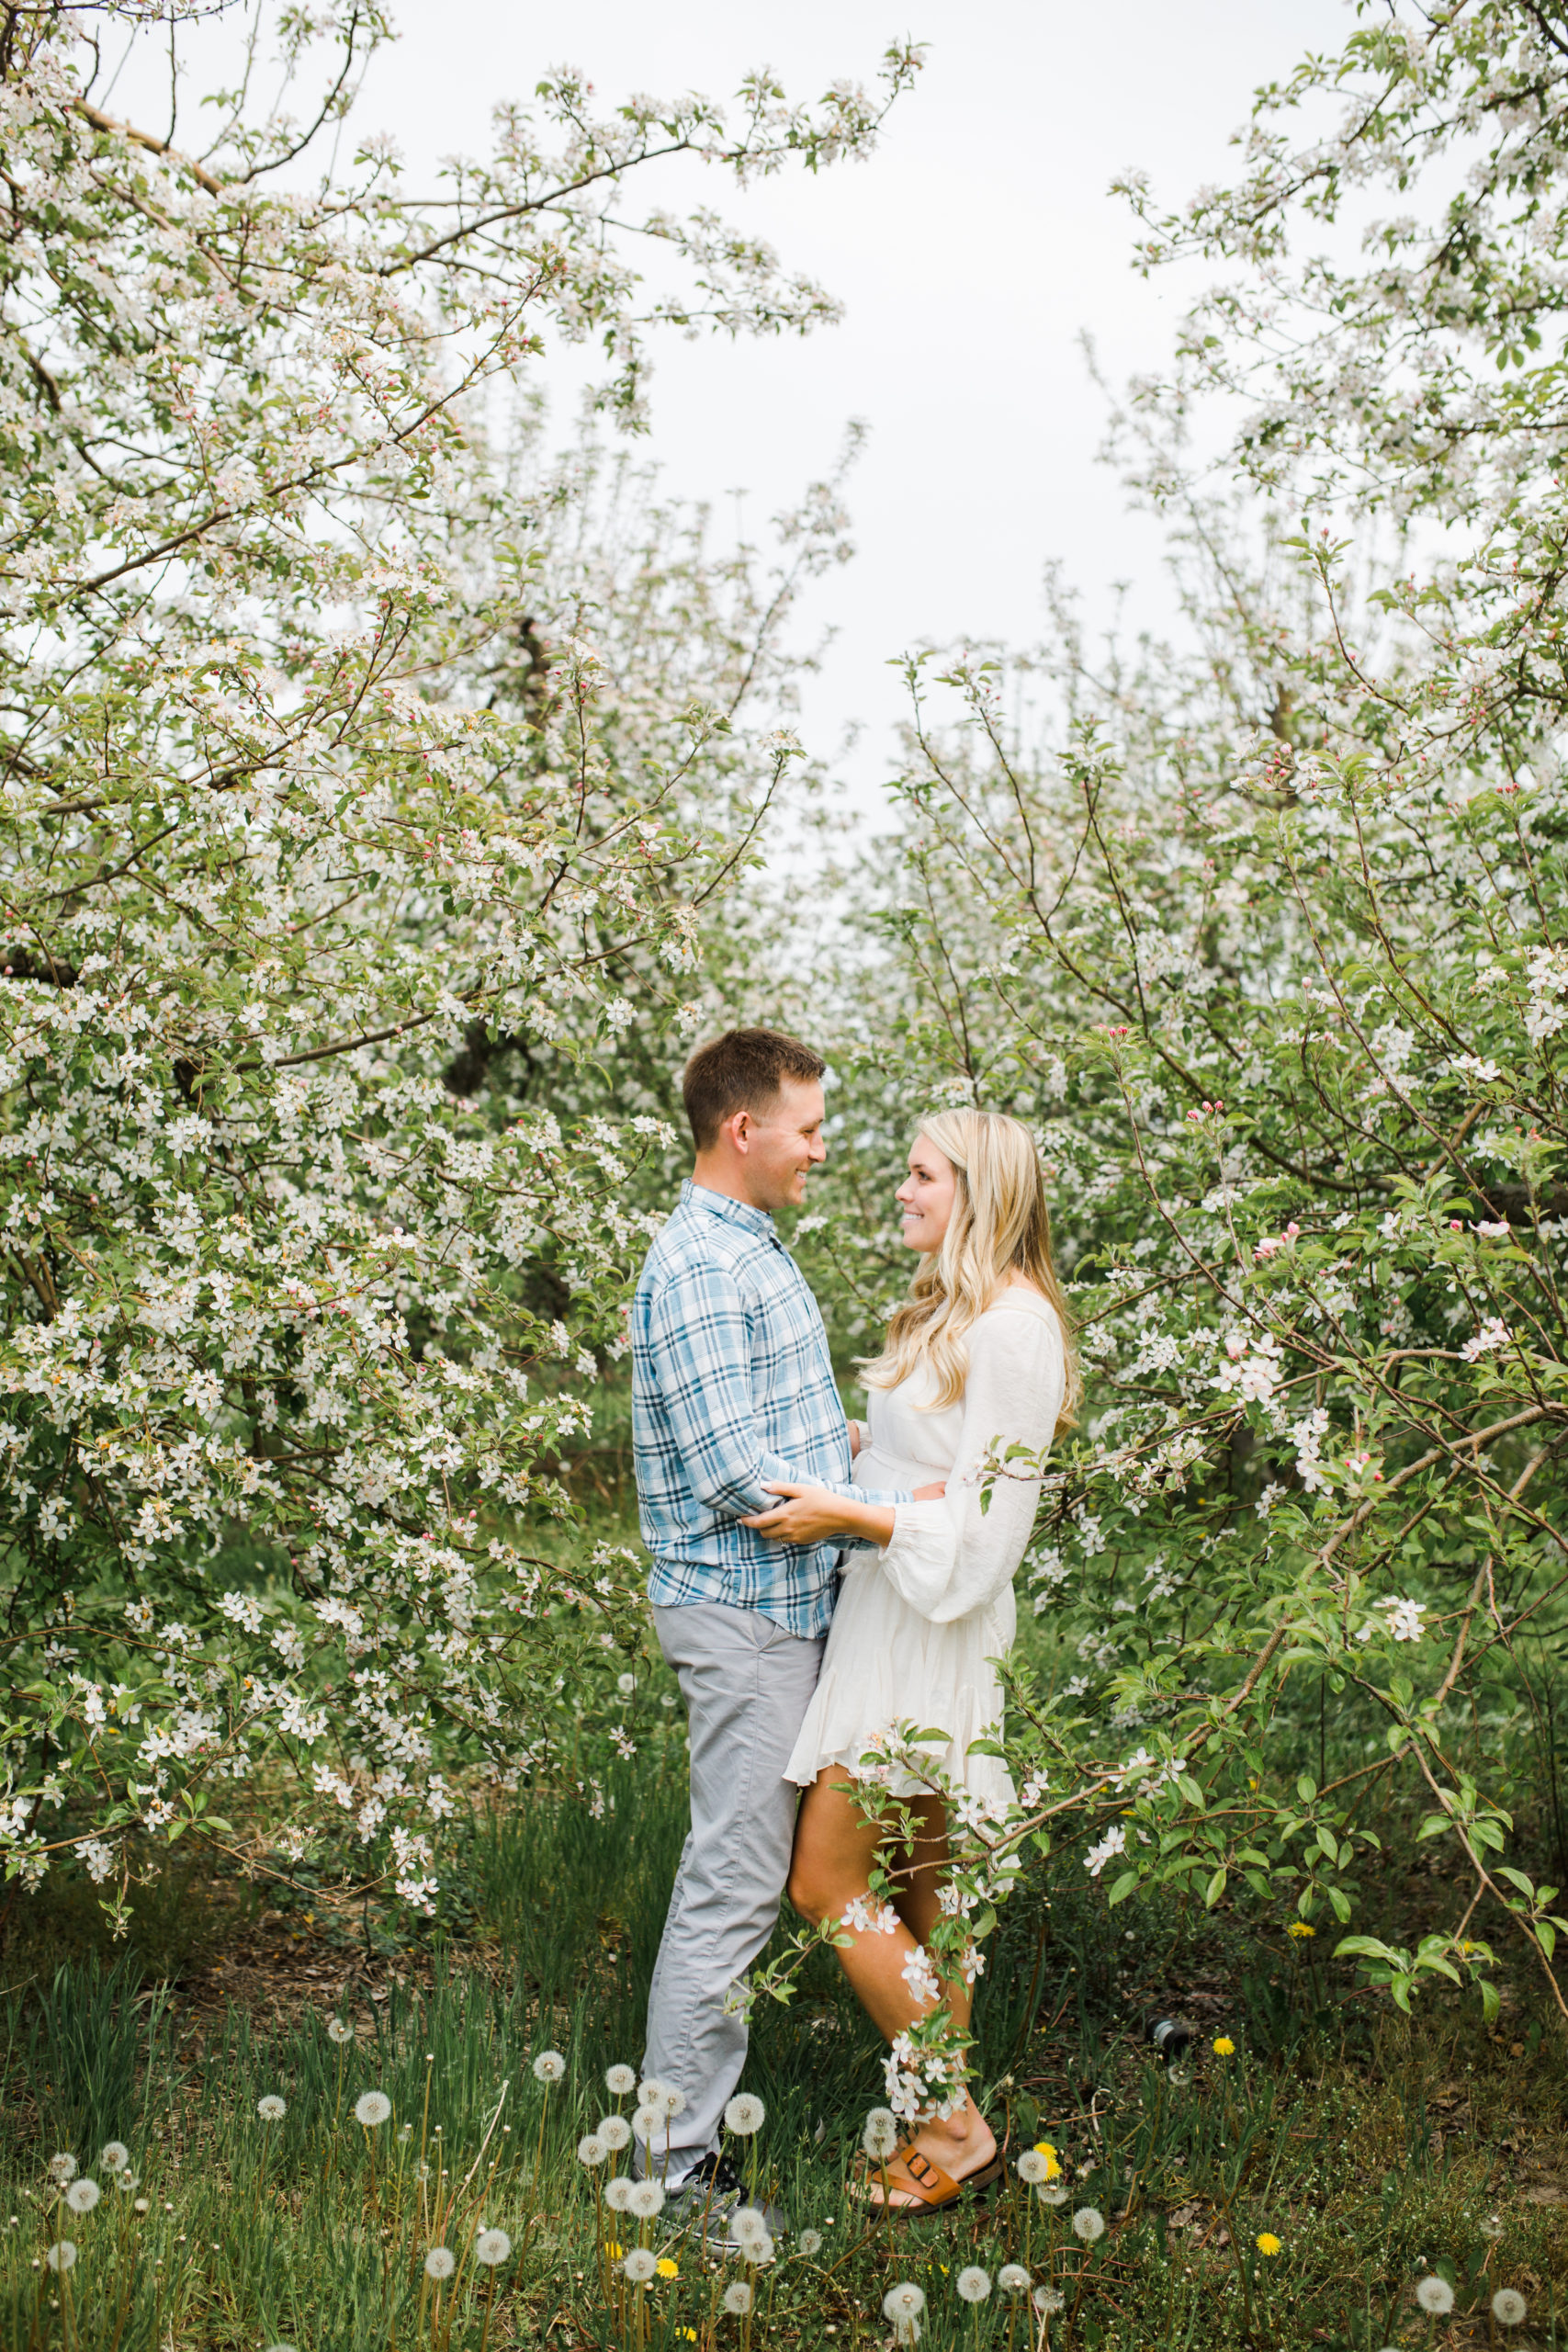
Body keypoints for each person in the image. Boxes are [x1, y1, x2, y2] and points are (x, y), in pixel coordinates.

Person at [742, 1108, 1077, 2217]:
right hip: (892, 1604)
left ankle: (948, 2119)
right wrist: (855, 1467)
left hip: (933, 1623)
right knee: (930, 1884)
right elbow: (926, 1466)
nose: (901, 1189)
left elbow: (989, 1530)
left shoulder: (1018, 1330)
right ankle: (957, 2119)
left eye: (923, 1175)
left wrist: (857, 1513)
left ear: (977, 1191)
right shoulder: (953, 1307)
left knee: (826, 1879)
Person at [630, 1027, 935, 2236]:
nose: (820, 1149)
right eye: (806, 1128)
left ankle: (681, 2158)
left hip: (778, 1611)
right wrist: (891, 1528)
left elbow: (772, 1443)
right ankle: (672, 2176)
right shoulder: (704, 1264)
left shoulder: (745, 1250)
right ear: (741, 1130)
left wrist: (875, 1469)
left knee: (751, 1880)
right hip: (745, 1617)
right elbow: (725, 1470)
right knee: (733, 1885)